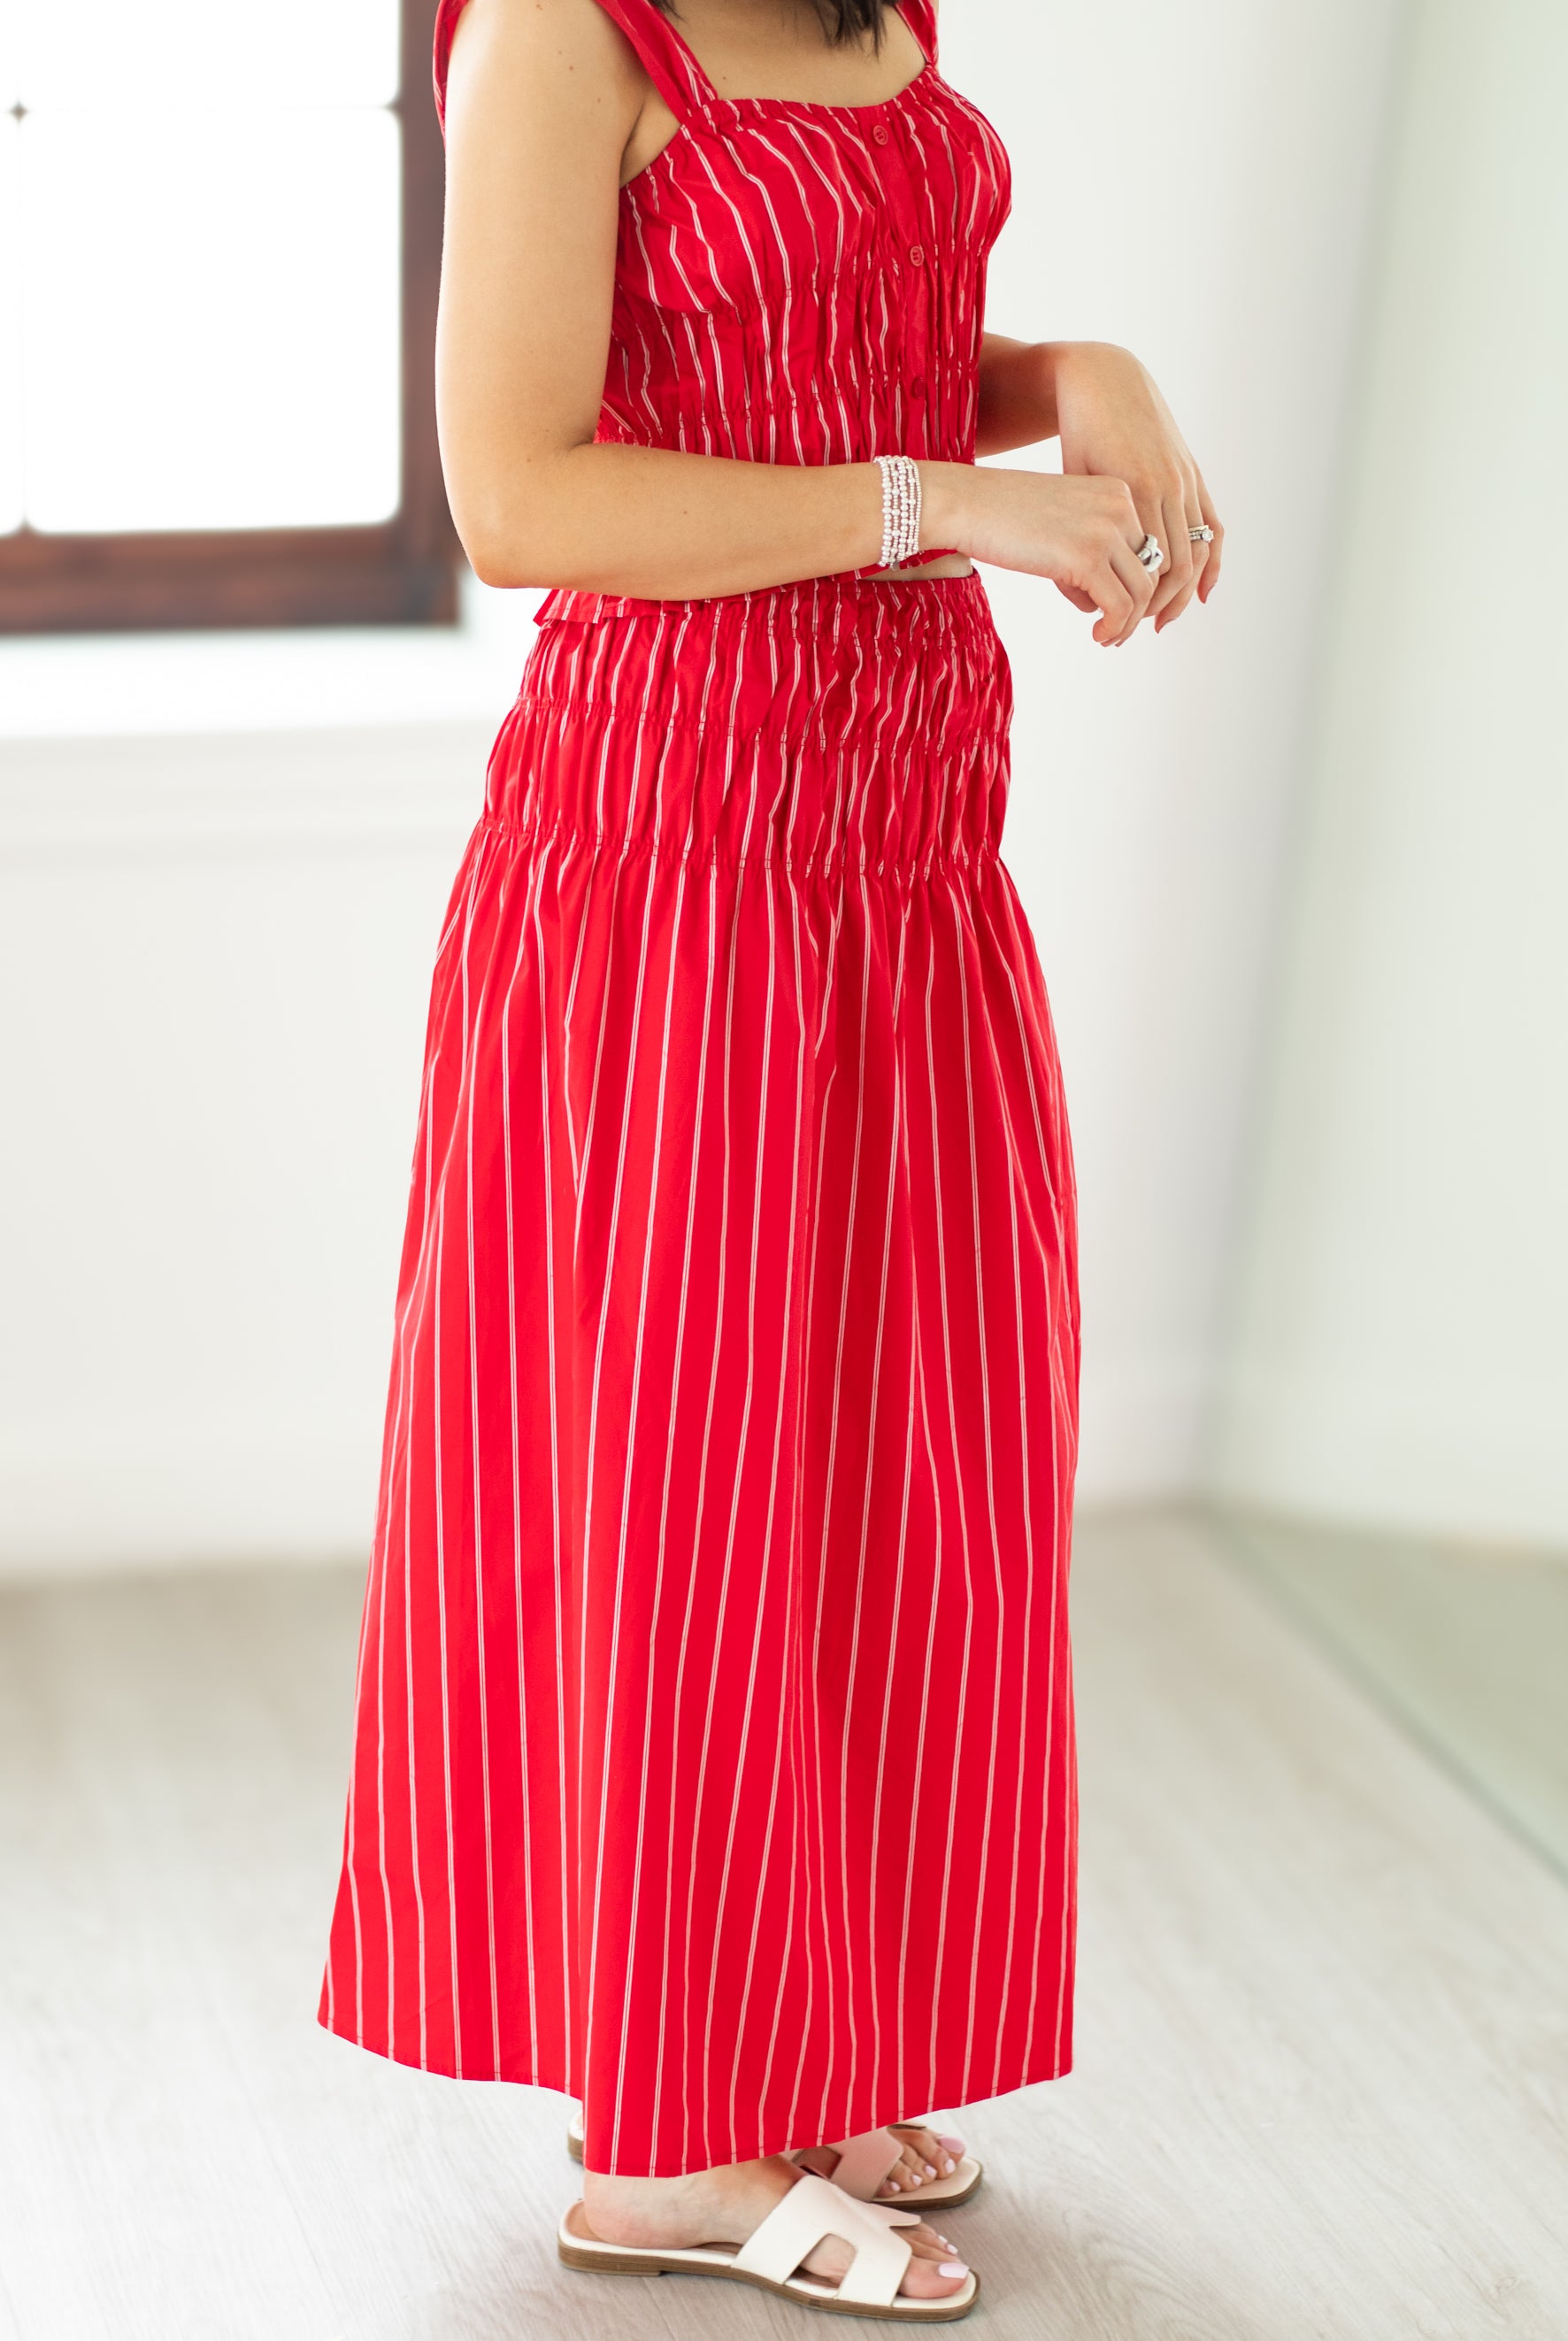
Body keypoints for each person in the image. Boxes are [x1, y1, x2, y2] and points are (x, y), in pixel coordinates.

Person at [319, 0, 1222, 2316]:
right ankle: (667, 2148)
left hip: (898, 841)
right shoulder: (561, 33)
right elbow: (525, 490)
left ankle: (783, 2053)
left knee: (879, 1460)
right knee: (694, 1483)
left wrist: (1065, 374)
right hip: (682, 864)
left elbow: (827, 343)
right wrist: (961, 500)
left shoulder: (869, 7)